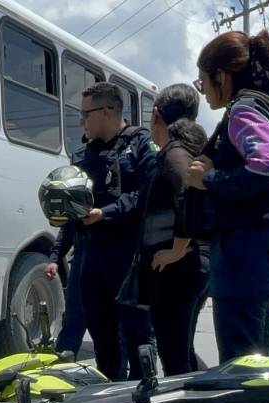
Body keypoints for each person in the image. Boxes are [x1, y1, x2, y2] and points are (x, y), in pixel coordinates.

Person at [186, 30, 269, 362]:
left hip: (245, 251)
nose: (204, 91)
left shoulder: (243, 109)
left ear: (220, 76)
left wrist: (208, 178)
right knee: (258, 357)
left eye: (202, 82)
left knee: (240, 362)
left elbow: (265, 166)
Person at [69, 82, 159, 380]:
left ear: (107, 111)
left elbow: (147, 194)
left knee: (137, 336)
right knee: (102, 337)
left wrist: (105, 213)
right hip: (91, 256)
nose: (81, 122)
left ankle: (146, 401)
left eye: (86, 114)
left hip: (129, 256)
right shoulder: (82, 155)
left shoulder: (140, 143)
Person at [126, 83, 211, 376]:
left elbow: (185, 189)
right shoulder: (193, 148)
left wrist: (177, 248)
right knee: (182, 350)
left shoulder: (175, 153)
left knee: (173, 356)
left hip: (179, 270)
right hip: (193, 265)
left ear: (157, 115)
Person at [45, 221, 87, 355]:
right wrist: (54, 259)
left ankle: (116, 373)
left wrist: (102, 213)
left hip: (113, 260)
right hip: (82, 258)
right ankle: (63, 362)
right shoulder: (79, 202)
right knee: (73, 317)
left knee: (113, 325)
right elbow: (68, 228)